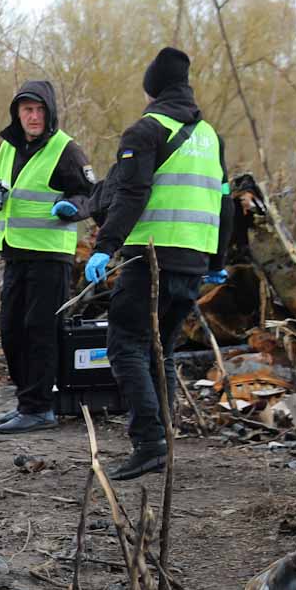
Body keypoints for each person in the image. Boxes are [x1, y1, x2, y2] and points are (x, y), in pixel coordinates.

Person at [84, 47, 232, 479]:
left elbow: (132, 193)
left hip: (149, 258)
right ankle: (164, 437)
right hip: (191, 263)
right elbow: (224, 204)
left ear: (152, 88)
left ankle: (149, 443)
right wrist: (217, 259)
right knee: (161, 351)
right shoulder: (210, 136)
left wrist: (103, 246)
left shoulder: (146, 130)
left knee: (126, 348)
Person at [0, 80, 94, 434]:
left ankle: (40, 407)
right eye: (27, 109)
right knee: (11, 330)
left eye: (40, 110)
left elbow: (91, 195)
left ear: (50, 113)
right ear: (17, 113)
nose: (33, 116)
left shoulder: (66, 150)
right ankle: (26, 402)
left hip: (50, 255)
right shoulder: (6, 148)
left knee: (40, 331)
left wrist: (72, 208)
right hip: (15, 252)